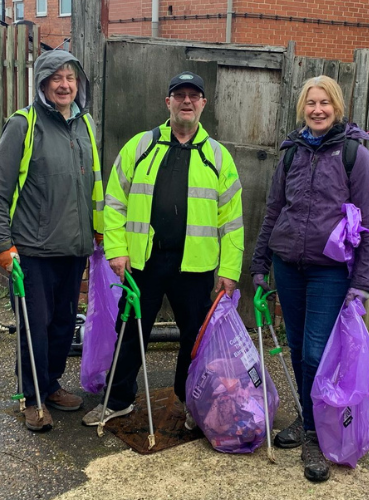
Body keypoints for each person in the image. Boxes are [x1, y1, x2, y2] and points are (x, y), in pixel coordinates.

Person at [82, 71, 244, 430]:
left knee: (194, 338)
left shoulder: (218, 157)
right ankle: (118, 400)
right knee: (130, 330)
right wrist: (117, 250)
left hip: (195, 265)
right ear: (167, 102)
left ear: (203, 104)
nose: (187, 101)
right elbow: (114, 203)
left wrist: (229, 271)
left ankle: (190, 403)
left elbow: (232, 221)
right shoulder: (139, 147)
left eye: (194, 95)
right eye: (179, 94)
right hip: (144, 261)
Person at [250, 75, 369, 482]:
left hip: (329, 272)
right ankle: (308, 420)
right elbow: (273, 210)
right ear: (302, 108)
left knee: (315, 353)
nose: (317, 110)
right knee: (296, 346)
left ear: (336, 107)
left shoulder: (354, 155)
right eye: (311, 103)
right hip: (289, 266)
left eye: (325, 103)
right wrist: (260, 263)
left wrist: (361, 284)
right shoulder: (290, 152)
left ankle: (317, 436)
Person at [0, 50, 104, 432]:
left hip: (73, 248)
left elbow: (94, 185)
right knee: (34, 325)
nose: (65, 84)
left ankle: (51, 385)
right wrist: (3, 246)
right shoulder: (24, 124)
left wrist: (99, 232)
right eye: (56, 77)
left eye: (71, 78)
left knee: (62, 323)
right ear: (42, 83)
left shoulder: (85, 125)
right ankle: (31, 398)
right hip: (32, 251)